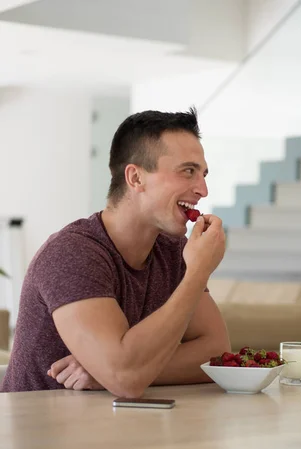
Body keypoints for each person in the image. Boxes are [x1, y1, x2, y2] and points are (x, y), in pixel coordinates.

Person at [1, 108, 230, 397]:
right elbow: (126, 379)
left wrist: (111, 372)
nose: (203, 189)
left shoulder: (174, 252)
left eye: (203, 174)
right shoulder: (72, 253)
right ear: (135, 178)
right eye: (188, 171)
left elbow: (216, 354)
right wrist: (198, 271)